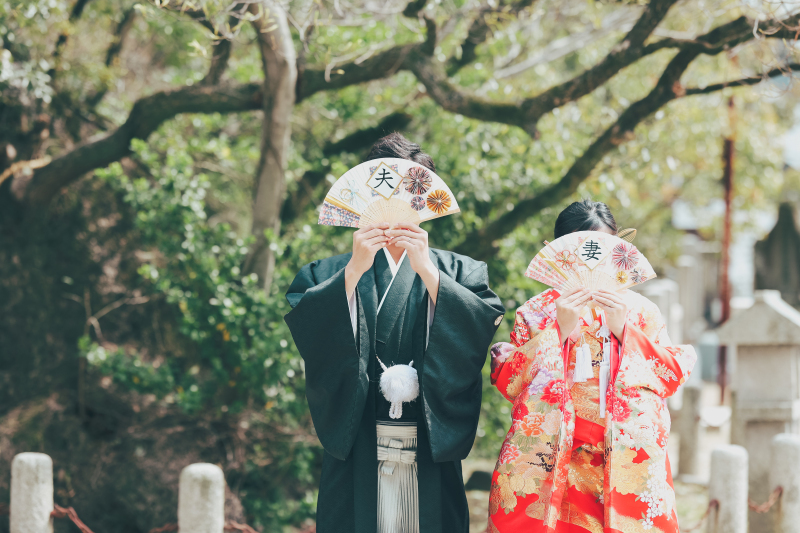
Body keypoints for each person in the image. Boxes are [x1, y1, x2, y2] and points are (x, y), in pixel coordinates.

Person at [284, 133, 505, 533]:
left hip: (427, 442)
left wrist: (430, 275)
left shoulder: (460, 273)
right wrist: (353, 272)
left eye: (412, 195)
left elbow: (476, 334)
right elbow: (312, 333)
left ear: (426, 202)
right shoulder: (327, 273)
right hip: (358, 442)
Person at [487, 199, 697, 533]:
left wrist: (623, 329)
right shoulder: (537, 312)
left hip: (624, 455)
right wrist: (560, 329)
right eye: (582, 249)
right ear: (558, 251)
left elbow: (669, 375)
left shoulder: (642, 312)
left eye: (602, 248)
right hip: (554, 455)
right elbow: (510, 381)